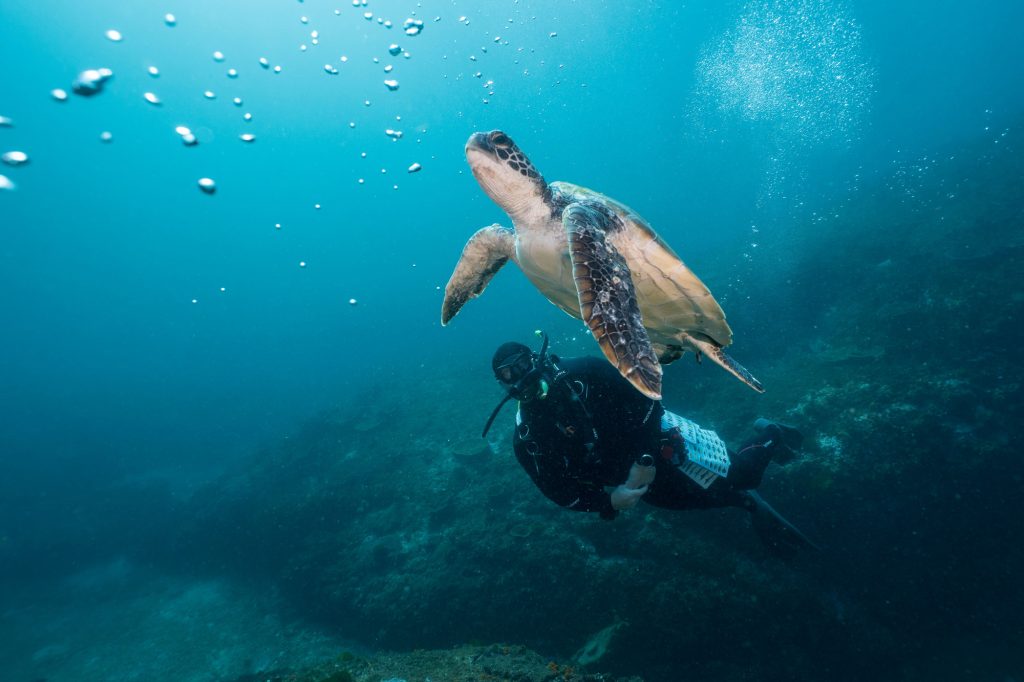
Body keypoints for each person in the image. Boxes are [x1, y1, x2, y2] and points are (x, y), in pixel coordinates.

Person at [484, 332, 816, 556]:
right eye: (509, 374)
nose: (520, 376)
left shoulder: (585, 371)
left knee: (745, 475)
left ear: (536, 358)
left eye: (522, 366)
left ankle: (769, 433)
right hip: (634, 485)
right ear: (501, 384)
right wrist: (609, 501)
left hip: (663, 439)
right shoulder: (528, 437)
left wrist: (643, 459)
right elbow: (557, 490)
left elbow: (648, 398)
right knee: (702, 499)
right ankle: (748, 504)